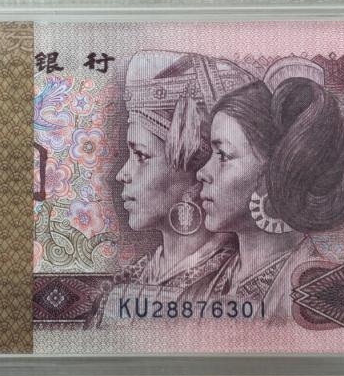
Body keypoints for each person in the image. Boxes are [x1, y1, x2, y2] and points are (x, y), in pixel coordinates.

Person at [196, 58, 344, 322]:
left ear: (274, 173)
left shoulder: (319, 293)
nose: (202, 173)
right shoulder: (209, 279)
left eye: (224, 155)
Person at [97, 50, 258, 324]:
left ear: (197, 171)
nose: (122, 175)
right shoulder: (130, 282)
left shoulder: (236, 286)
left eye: (141, 156)